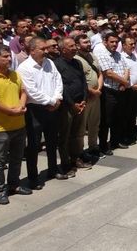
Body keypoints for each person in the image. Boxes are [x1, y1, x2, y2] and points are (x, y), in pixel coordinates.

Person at [0, 45, 30, 205]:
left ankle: (14, 184)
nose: (9, 59)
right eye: (5, 57)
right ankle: (0, 190)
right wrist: (12, 111)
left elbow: (23, 92)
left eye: (9, 56)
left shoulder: (15, 74)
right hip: (0, 128)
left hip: (19, 124)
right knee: (0, 162)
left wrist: (21, 106)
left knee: (16, 158)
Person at [17, 37, 66, 188]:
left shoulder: (49, 63)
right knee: (34, 145)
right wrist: (51, 101)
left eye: (46, 48)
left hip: (53, 108)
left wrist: (57, 98)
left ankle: (53, 169)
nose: (46, 51)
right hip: (35, 111)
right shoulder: (24, 68)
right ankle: (33, 177)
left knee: (52, 141)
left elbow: (58, 80)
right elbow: (31, 91)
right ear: (32, 50)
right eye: (42, 49)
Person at [54, 37, 91, 176]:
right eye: (71, 46)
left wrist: (84, 99)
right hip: (67, 106)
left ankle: (76, 158)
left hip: (80, 103)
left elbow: (83, 81)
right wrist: (72, 104)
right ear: (63, 49)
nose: (75, 48)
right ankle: (65, 163)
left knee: (77, 134)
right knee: (65, 136)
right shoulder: (56, 64)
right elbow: (61, 86)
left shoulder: (77, 63)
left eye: (75, 45)